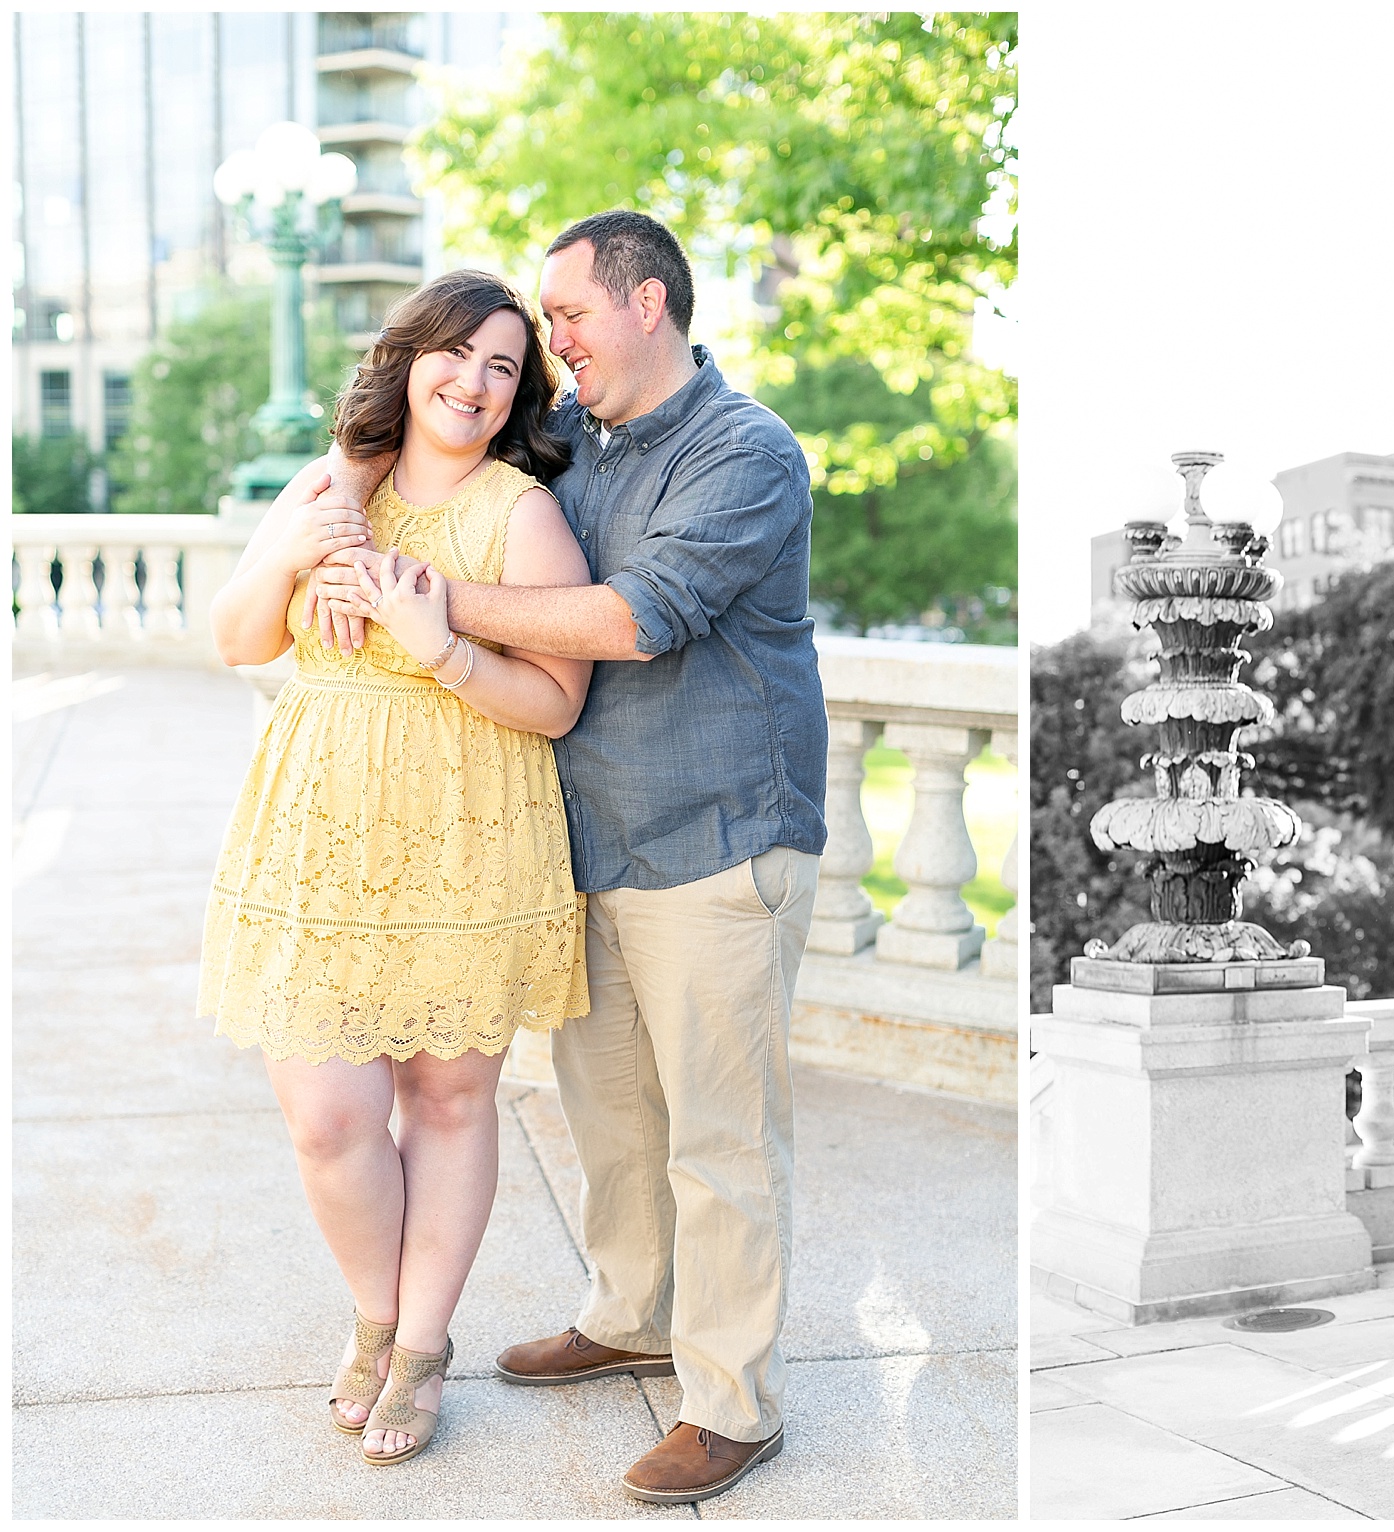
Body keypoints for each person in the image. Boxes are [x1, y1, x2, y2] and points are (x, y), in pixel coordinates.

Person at [301, 209, 828, 1504]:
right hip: (593, 846)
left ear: (648, 303)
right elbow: (412, 435)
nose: (554, 343)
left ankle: (734, 1402)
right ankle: (631, 1311)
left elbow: (630, 621)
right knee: (613, 1120)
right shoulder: (576, 445)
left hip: (719, 842)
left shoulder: (746, 452)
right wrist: (347, 505)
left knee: (722, 1137)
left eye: (571, 314)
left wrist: (408, 590)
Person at [197, 268, 594, 1465]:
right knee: (328, 1115)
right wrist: (295, 546)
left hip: (468, 822)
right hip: (319, 827)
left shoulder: (519, 510)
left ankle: (420, 1344)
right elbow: (233, 637)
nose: (474, 382)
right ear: (409, 356)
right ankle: (374, 1309)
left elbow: (560, 701)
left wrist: (441, 647)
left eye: (504, 367)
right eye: (457, 353)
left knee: (449, 1096)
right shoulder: (331, 488)